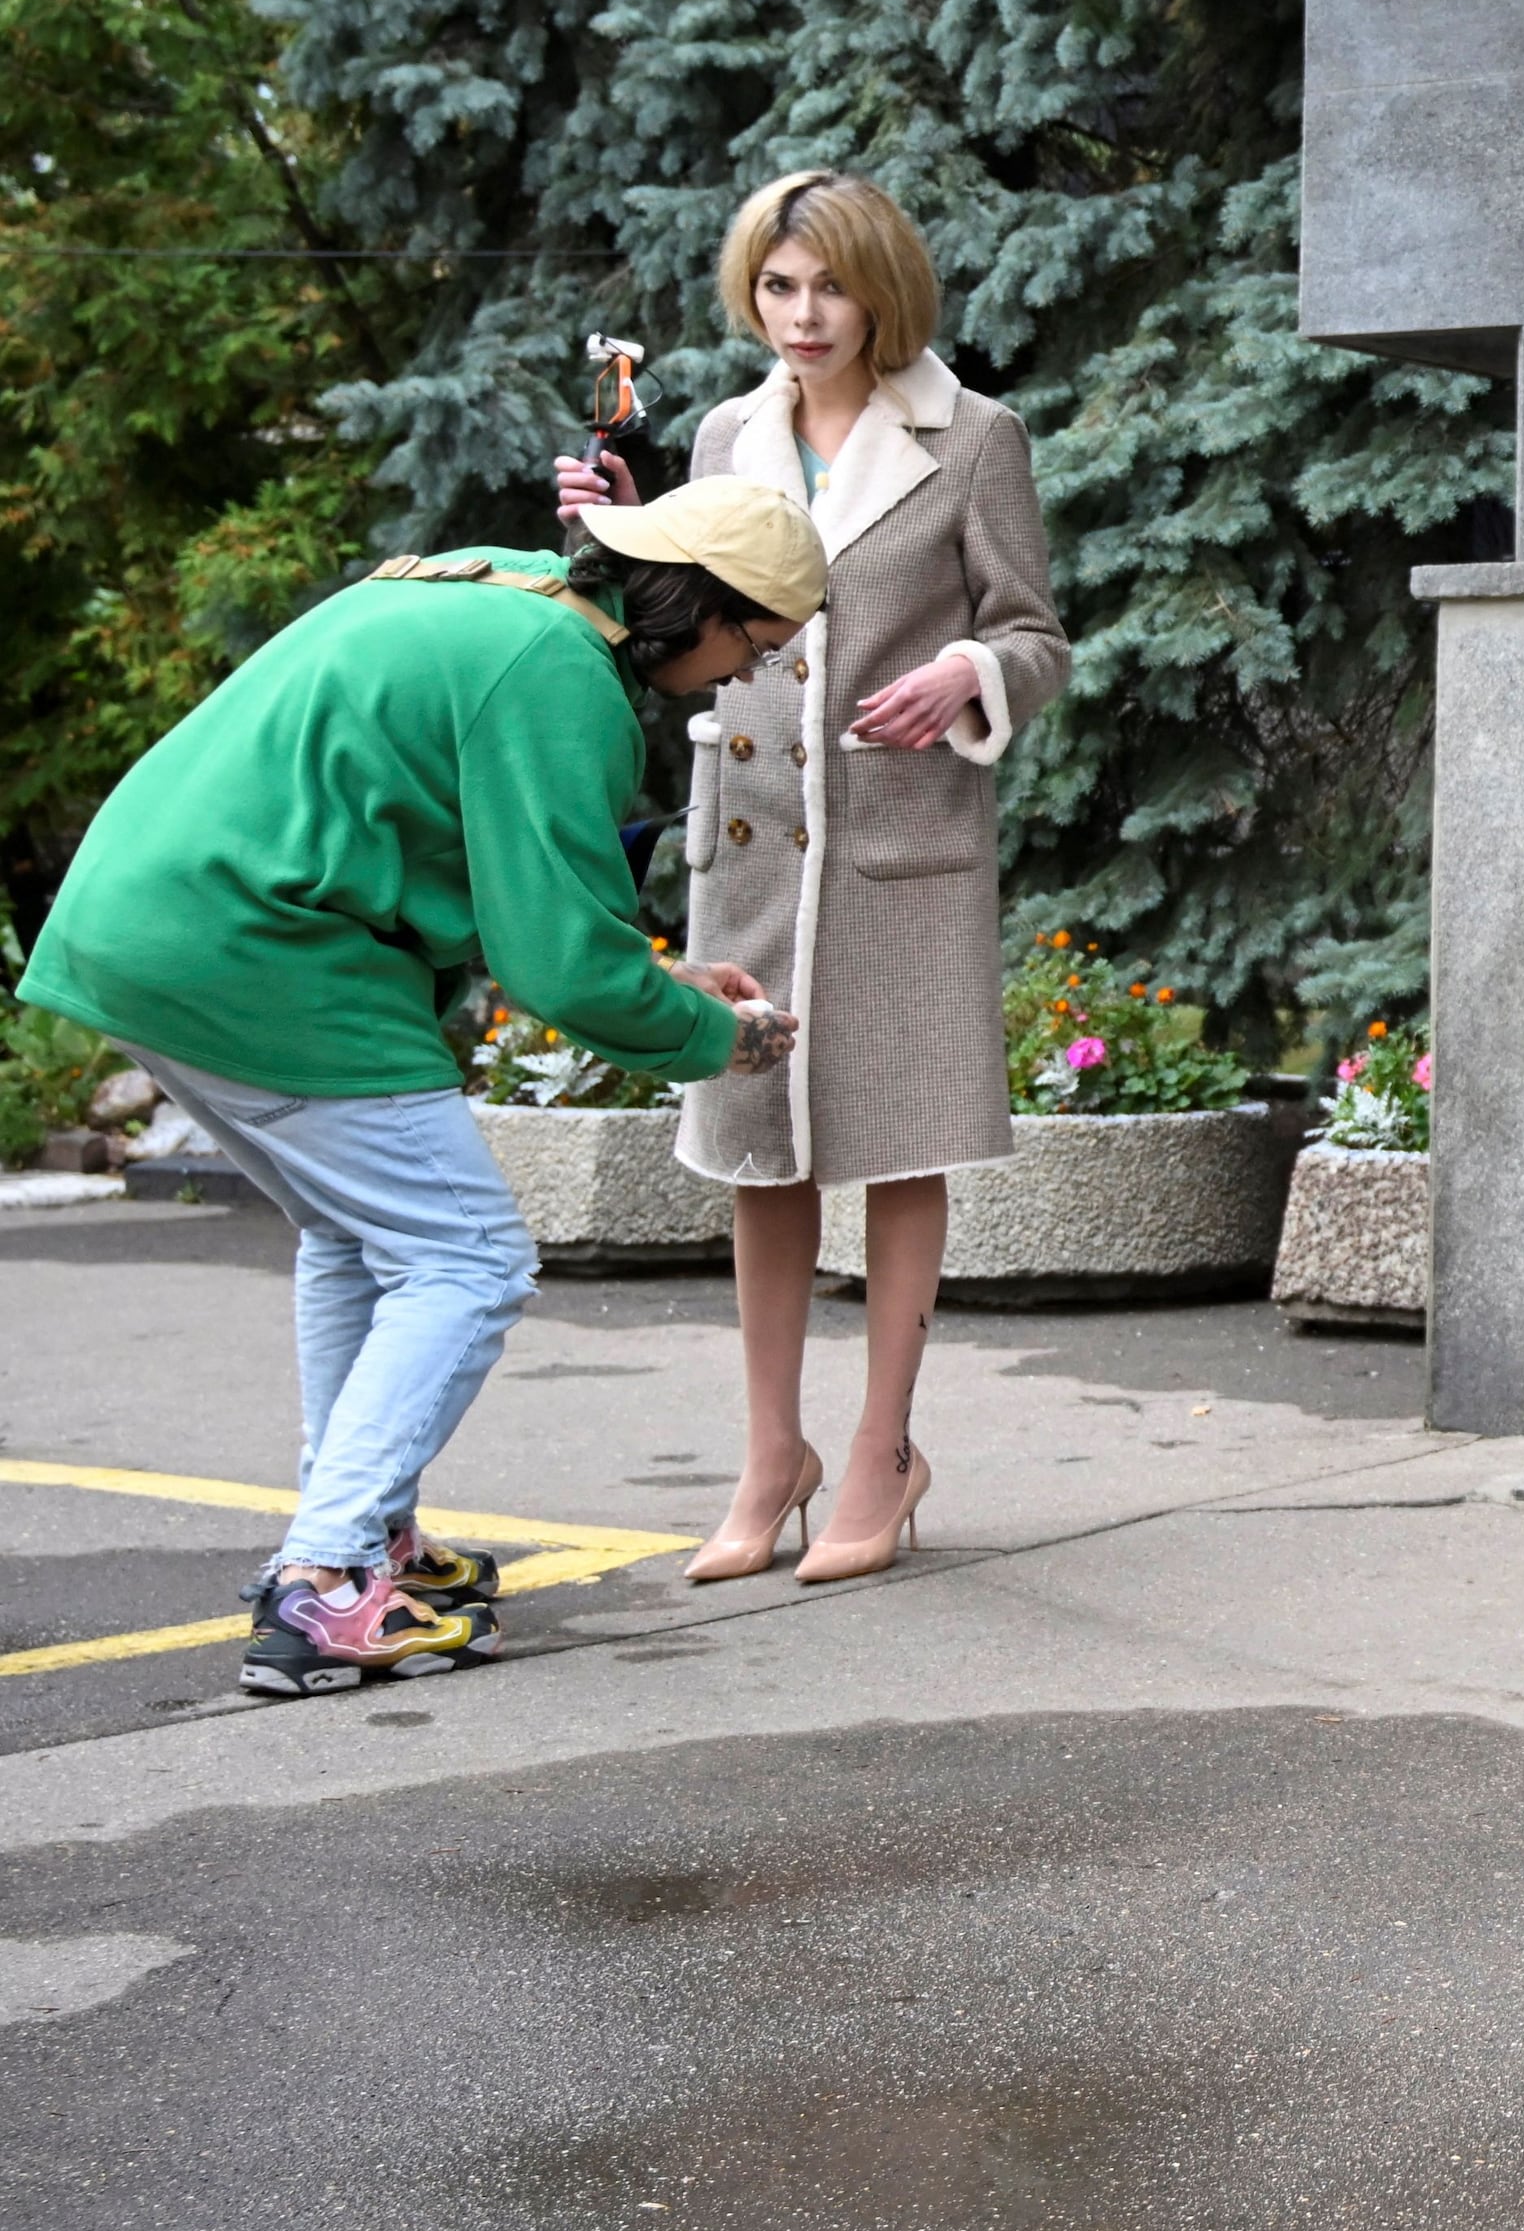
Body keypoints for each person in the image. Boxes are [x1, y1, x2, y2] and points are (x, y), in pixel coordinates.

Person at [10, 486, 822, 1694]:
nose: (732, 678)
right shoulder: (556, 677)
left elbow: (479, 873)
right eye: (750, 646)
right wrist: (717, 1039)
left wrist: (660, 981)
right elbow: (558, 960)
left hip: (156, 922)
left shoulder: (497, 587)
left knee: (360, 1236)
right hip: (263, 952)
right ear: (694, 602)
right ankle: (327, 1581)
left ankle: (366, 1538)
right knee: (466, 1259)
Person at [557, 172, 1069, 1586]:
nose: (801, 315)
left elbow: (1035, 632)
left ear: (880, 290)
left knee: (898, 1145)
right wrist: (620, 526)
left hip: (903, 845)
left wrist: (969, 671)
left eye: (828, 288)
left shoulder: (973, 438)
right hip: (748, 844)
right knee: (756, 1152)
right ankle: (766, 1454)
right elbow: (687, 620)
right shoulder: (727, 432)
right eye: (778, 287)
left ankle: (880, 1452)